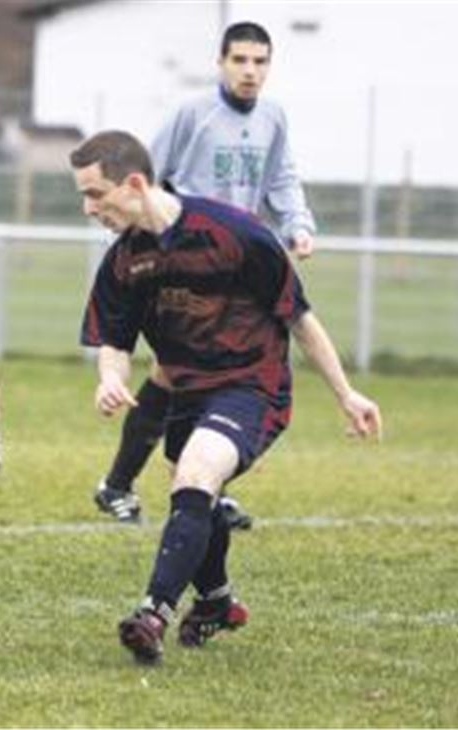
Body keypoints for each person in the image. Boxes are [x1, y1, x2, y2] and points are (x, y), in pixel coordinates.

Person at [71, 130, 381, 664]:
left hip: (251, 385)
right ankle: (216, 602)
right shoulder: (124, 261)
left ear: (136, 184)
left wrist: (345, 393)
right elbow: (114, 341)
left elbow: (300, 318)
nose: (87, 208)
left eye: (96, 194)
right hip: (187, 393)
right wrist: (109, 378)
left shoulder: (233, 234)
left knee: (194, 473)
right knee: (196, 492)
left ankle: (152, 612)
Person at [93, 21, 318, 527]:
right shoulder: (192, 114)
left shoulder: (273, 117)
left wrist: (297, 224)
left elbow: (282, 177)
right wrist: (132, 239)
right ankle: (129, 484)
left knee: (209, 373)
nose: (250, 71)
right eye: (240, 60)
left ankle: (186, 482)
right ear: (220, 62)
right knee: (176, 371)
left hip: (240, 272)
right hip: (184, 263)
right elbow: (145, 177)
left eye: (260, 62)